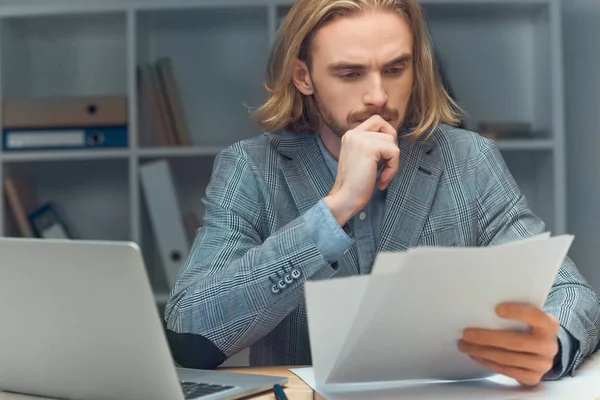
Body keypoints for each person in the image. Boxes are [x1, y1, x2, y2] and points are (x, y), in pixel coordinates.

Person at [164, 0, 600, 387]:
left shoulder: (470, 159)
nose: (378, 96)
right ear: (304, 76)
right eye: (350, 73)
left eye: (395, 69)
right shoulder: (252, 169)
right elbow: (190, 333)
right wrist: (333, 211)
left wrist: (553, 342)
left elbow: (572, 292)